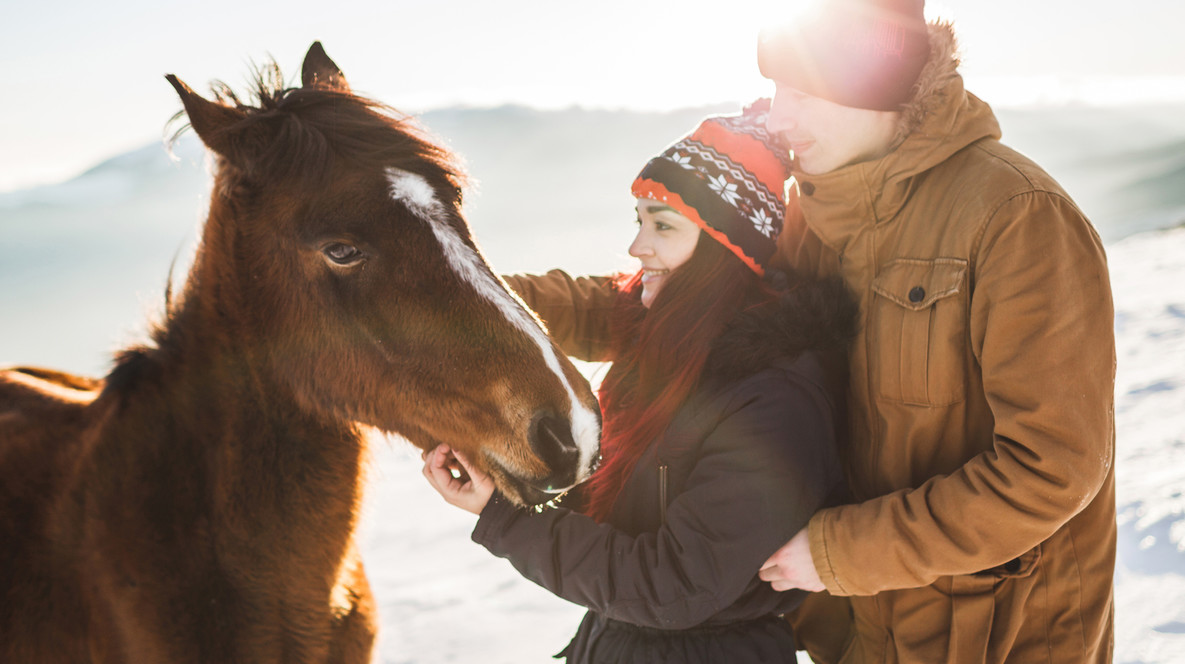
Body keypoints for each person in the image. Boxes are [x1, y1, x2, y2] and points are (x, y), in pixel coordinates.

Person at [422, 102, 858, 663]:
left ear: (726, 249)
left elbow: (672, 586)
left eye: (664, 226)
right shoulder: (671, 346)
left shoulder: (773, 400)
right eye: (639, 221)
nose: (637, 247)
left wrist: (503, 521)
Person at [753, 0, 1118, 662]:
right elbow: (721, 324)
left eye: (800, 90)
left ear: (873, 84)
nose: (778, 115)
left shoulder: (1016, 216)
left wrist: (839, 553)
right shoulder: (813, 214)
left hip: (1001, 638)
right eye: (774, 88)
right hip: (859, 633)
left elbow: (1051, 469)